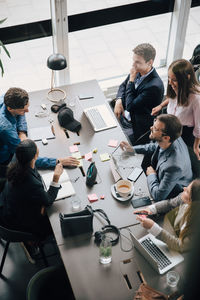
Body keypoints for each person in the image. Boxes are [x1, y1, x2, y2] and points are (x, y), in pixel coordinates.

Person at [0, 87, 79, 179]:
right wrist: (57, 161)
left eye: (27, 107)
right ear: (9, 108)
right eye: (23, 110)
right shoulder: (6, 128)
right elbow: (26, 156)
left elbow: (21, 113)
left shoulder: (7, 97)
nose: (27, 112)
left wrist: (22, 132)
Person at [120, 114, 193, 202]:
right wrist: (132, 149)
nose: (151, 128)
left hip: (172, 190)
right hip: (160, 172)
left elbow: (158, 196)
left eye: (155, 128)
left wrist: (151, 175)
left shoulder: (174, 167)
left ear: (166, 137)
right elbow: (155, 145)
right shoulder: (171, 137)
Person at [0, 139, 63, 239]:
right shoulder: (31, 183)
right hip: (17, 224)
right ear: (35, 157)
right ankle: (34, 242)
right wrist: (56, 178)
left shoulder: (16, 159)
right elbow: (48, 200)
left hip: (6, 210)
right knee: (57, 222)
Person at [114, 43, 164, 145]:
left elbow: (130, 106)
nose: (133, 65)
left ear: (150, 62)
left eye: (137, 62)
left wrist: (131, 81)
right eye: (133, 60)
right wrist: (118, 100)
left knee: (114, 145)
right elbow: (123, 86)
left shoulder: (154, 86)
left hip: (134, 126)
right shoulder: (138, 70)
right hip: (123, 116)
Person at [151, 59, 200, 160]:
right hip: (169, 123)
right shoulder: (176, 87)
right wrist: (161, 106)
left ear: (187, 78)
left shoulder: (196, 99)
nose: (170, 83)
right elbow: (172, 98)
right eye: (169, 78)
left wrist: (195, 147)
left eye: (174, 80)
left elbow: (198, 127)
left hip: (183, 133)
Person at [134, 179, 200, 253]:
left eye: (187, 191)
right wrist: (150, 209)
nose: (184, 189)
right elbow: (169, 204)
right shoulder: (184, 198)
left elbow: (180, 245)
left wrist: (153, 227)